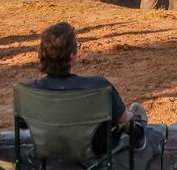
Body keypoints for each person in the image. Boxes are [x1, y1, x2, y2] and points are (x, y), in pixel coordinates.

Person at [25, 22, 147, 153]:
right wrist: (128, 115)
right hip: (94, 148)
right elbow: (122, 118)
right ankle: (137, 132)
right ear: (72, 57)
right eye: (77, 47)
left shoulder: (28, 89)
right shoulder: (98, 85)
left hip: (47, 146)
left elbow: (23, 125)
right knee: (124, 118)